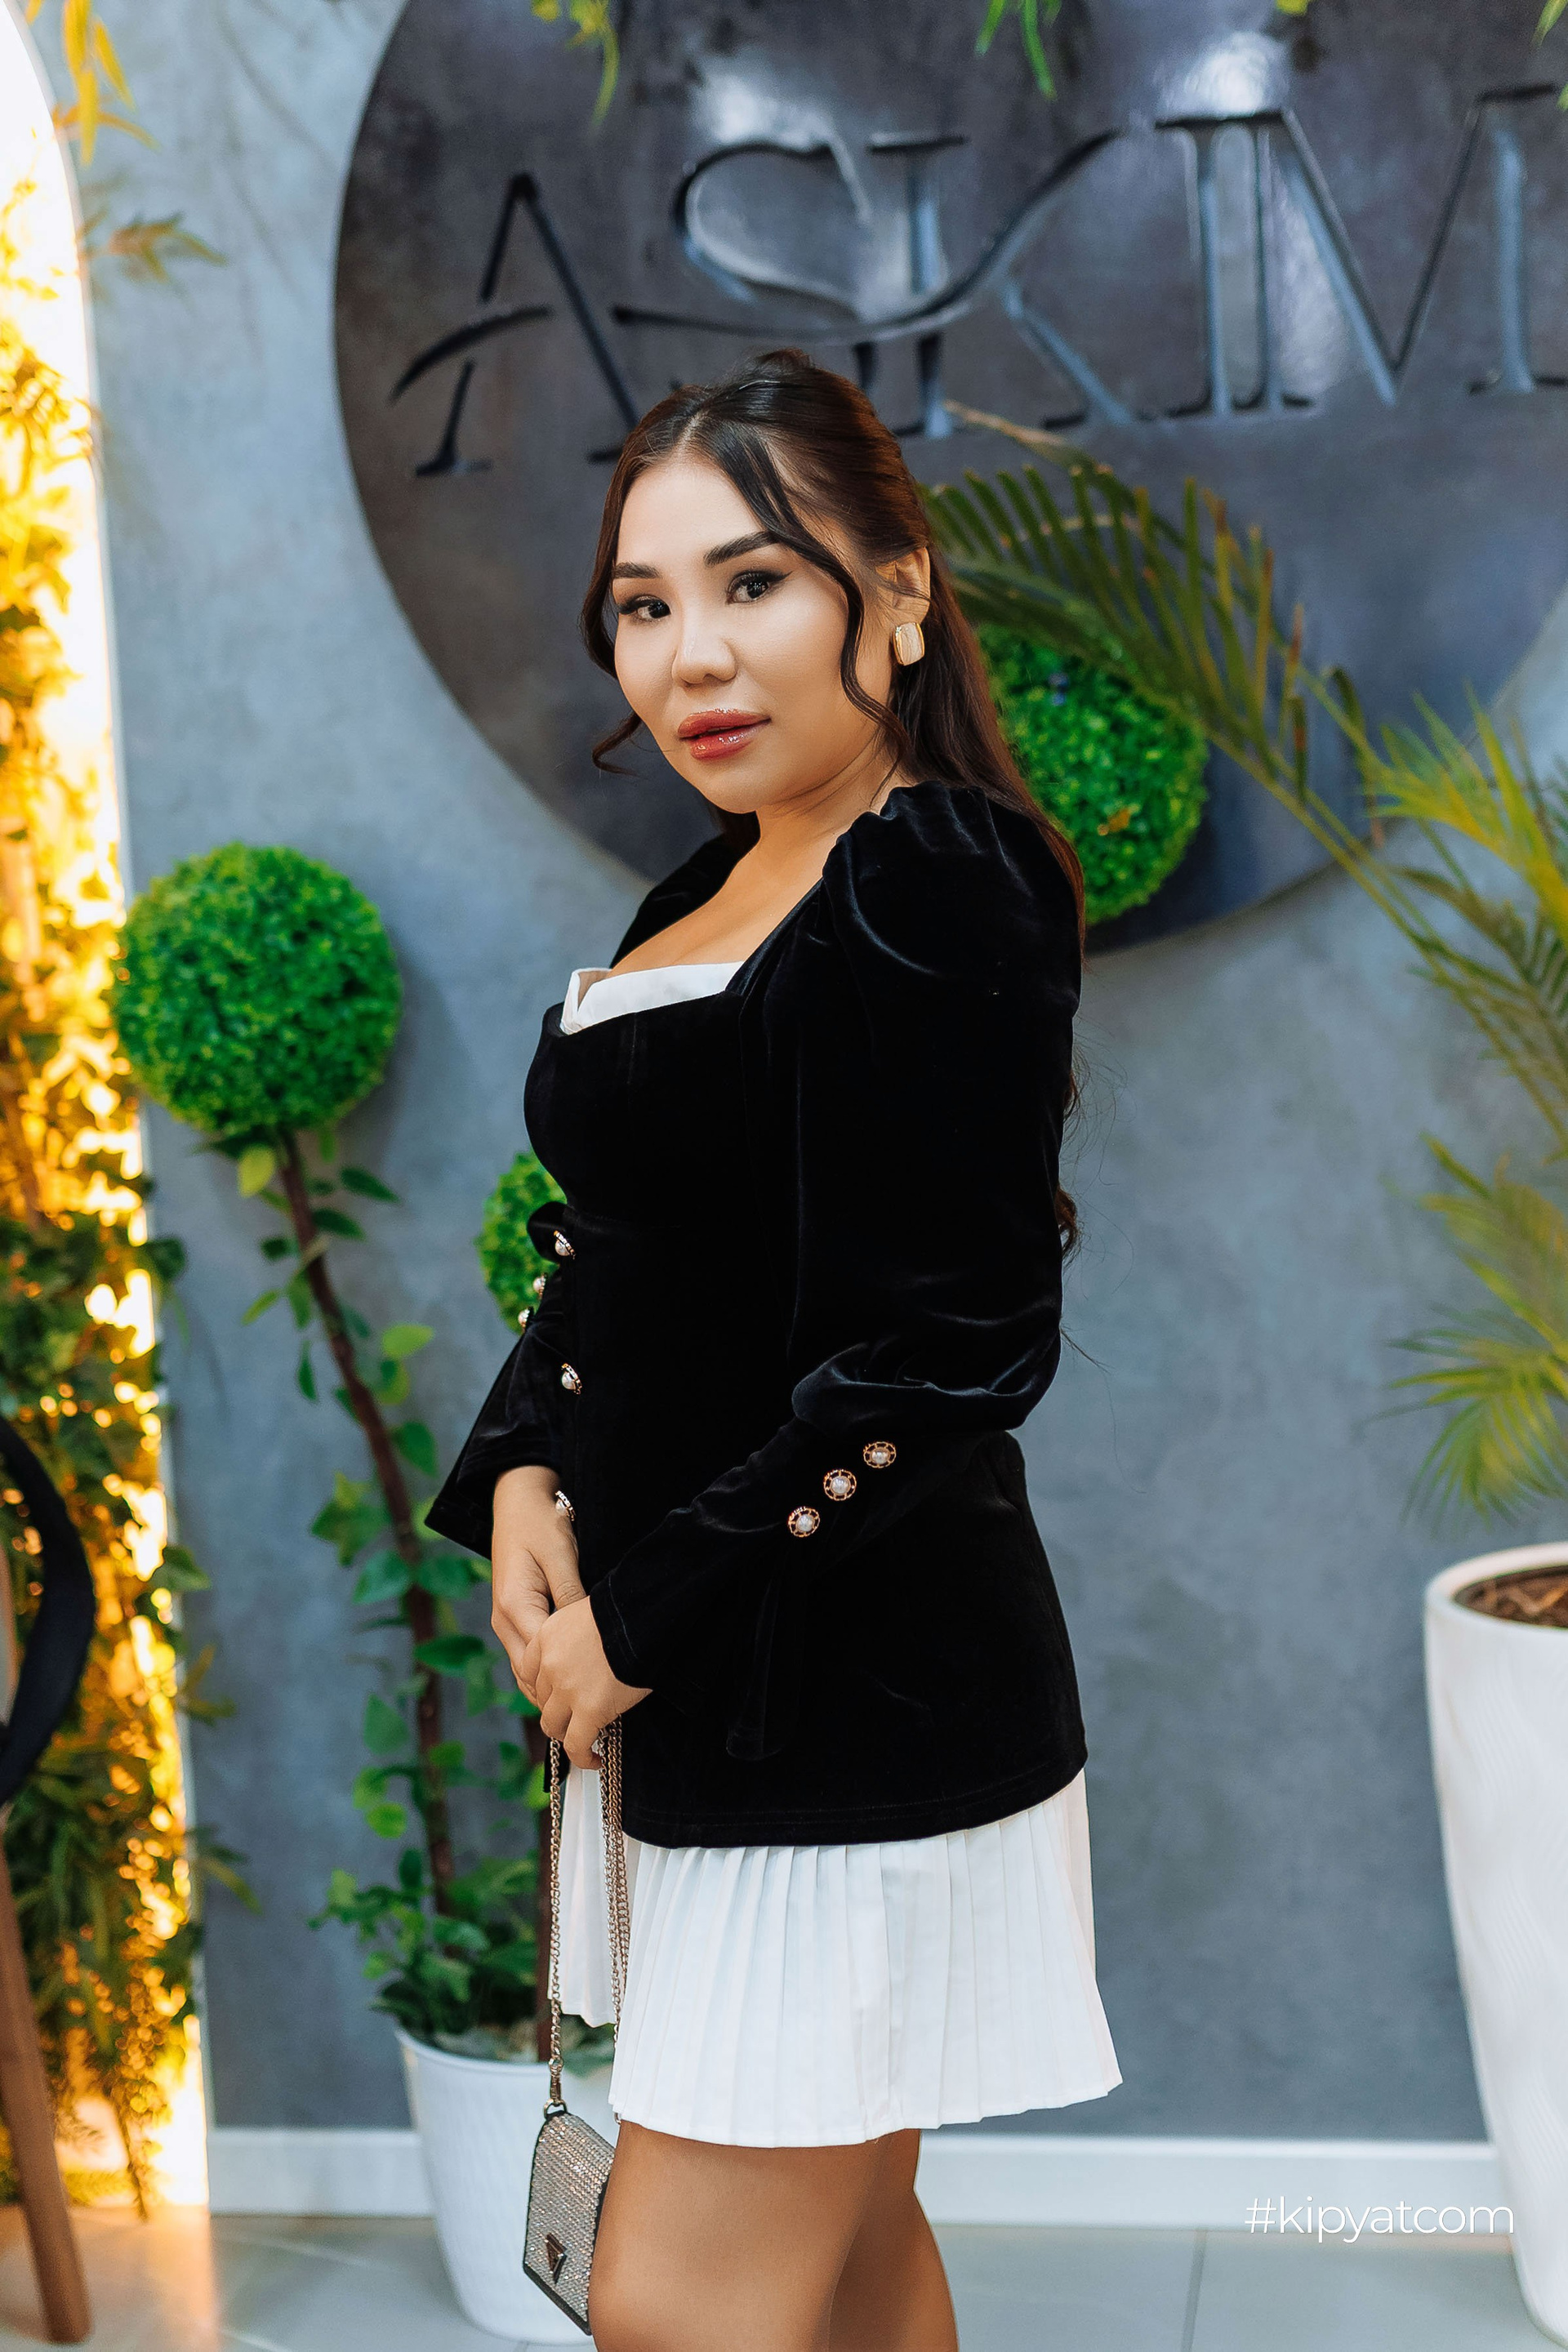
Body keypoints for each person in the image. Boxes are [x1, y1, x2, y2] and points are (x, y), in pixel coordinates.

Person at [427, 346, 1120, 2352]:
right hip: (706, 1699)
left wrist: (641, 1622)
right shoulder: (713, 880)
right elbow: (626, 1247)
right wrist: (526, 1467)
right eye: (644, 606)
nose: (693, 656)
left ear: (894, 594)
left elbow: (951, 1347)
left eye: (754, 583)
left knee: (680, 2302)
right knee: (853, 2264)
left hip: (852, 1713)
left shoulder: (939, 875)